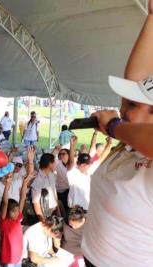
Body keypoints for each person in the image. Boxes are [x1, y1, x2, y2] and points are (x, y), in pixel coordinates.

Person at [82, 2, 153, 266]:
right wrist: (152, 19)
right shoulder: (130, 148)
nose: (122, 110)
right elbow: (136, 78)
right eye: (123, 102)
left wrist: (115, 128)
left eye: (132, 105)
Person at [0, 147, 35, 228]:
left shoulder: (16, 183)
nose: (10, 172)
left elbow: (29, 176)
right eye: (7, 169)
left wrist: (31, 161)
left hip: (15, 222)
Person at [0, 171, 33, 267]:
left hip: (18, 256)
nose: (17, 213)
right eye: (13, 211)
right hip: (8, 259)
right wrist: (8, 184)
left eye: (17, 211)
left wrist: (25, 182)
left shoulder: (17, 218)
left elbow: (22, 198)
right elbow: (5, 202)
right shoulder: (3, 221)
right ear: (6, 212)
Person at [52, 137, 77, 215]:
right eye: (60, 154)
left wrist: (72, 145)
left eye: (63, 154)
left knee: (67, 209)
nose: (61, 155)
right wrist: (56, 150)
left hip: (68, 191)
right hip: (58, 191)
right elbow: (51, 158)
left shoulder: (72, 165)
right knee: (59, 211)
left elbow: (72, 161)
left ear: (68, 155)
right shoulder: (58, 163)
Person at [31, 153, 59, 221]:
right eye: (54, 162)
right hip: (45, 213)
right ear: (50, 164)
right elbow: (36, 203)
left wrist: (57, 208)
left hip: (54, 209)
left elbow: (54, 192)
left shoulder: (52, 175)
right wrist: (43, 222)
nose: (56, 164)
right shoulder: (38, 180)